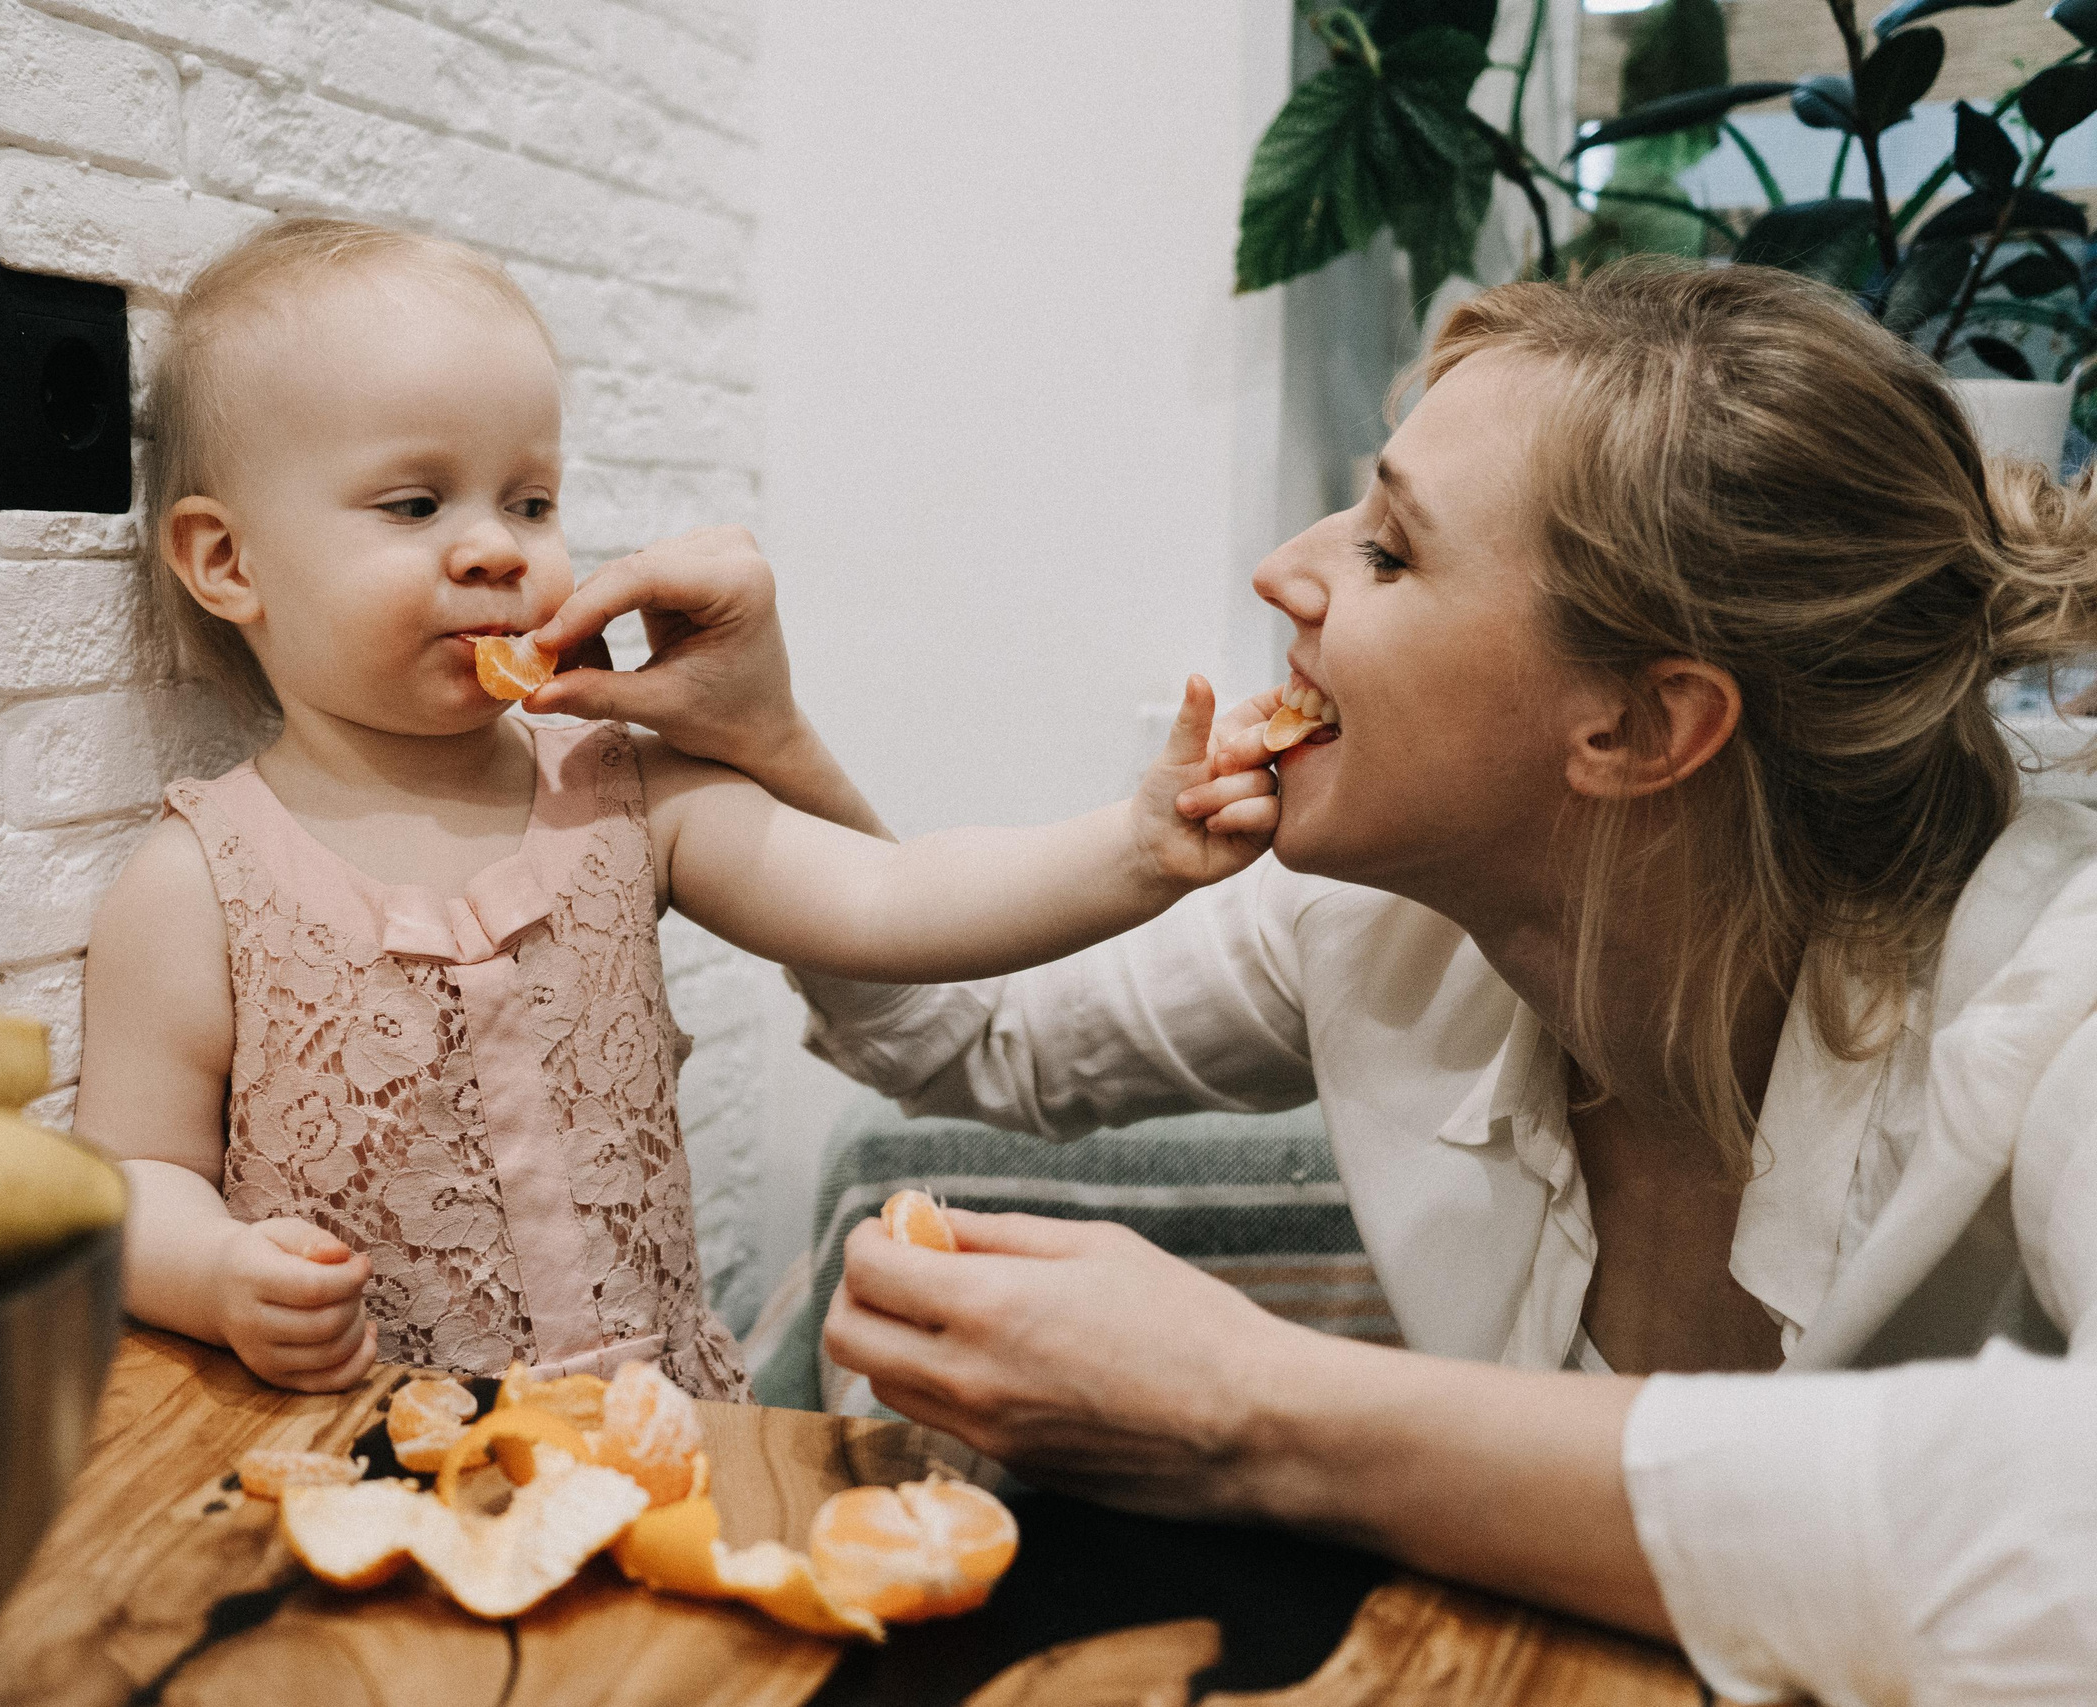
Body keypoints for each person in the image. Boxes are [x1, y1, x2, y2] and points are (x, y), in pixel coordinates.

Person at [527, 266, 2097, 1703]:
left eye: (1390, 547)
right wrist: (764, 739)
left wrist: (1248, 1402)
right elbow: (961, 1034)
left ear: (1636, 725)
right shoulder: (1367, 923)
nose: (1286, 569)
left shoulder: (2063, 979)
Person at [72, 218, 1264, 1403]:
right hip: (364, 1464)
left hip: (661, 1437)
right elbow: (126, 1176)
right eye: (413, 504)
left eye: (529, 500)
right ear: (228, 562)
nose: (495, 548)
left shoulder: (622, 792)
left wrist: (1135, 848)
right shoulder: (198, 883)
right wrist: (223, 1274)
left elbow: (887, 900)